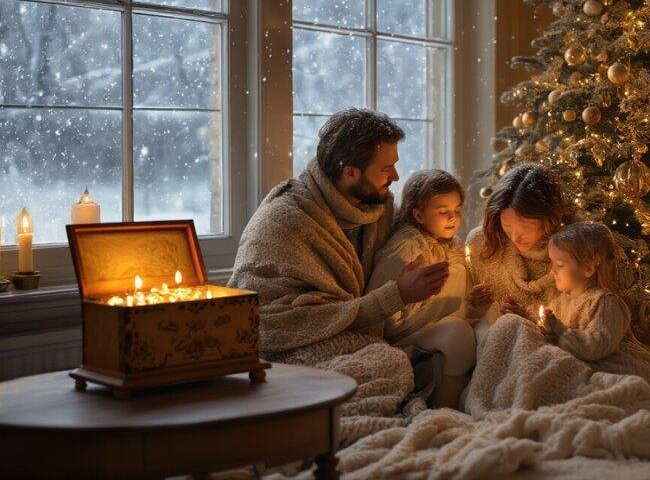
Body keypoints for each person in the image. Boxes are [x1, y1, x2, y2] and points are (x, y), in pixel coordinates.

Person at [228, 108, 450, 443]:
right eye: (387, 168)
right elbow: (267, 323)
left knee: (392, 362)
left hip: (348, 337)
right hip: (286, 348)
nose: (396, 176)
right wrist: (396, 294)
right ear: (349, 173)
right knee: (389, 364)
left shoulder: (376, 207)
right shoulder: (284, 222)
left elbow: (412, 232)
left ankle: (316, 418)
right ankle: (297, 429)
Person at [511, 221, 650, 390]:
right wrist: (526, 317)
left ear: (587, 269)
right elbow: (549, 331)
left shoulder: (604, 302)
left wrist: (560, 329)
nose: (552, 271)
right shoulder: (561, 299)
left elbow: (598, 346)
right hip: (580, 359)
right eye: (552, 263)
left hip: (612, 363)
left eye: (560, 265)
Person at [366, 169, 478, 407]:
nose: (453, 218)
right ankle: (446, 406)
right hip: (410, 333)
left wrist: (474, 302)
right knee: (457, 335)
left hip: (444, 323)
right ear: (418, 214)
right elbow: (381, 304)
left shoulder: (455, 246)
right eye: (443, 212)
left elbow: (458, 292)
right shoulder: (407, 247)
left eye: (457, 210)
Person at [465, 164, 570, 342]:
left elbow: (575, 326)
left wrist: (530, 320)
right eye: (507, 226)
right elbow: (467, 316)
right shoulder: (482, 245)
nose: (515, 237)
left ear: (549, 219)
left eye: (526, 227)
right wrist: (473, 307)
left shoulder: (571, 252)